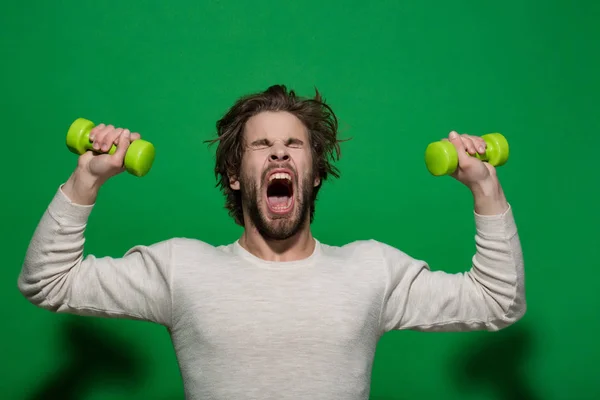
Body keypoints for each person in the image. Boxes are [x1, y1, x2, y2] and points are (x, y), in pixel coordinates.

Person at [18, 84, 526, 399]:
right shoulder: (181, 269)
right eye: (261, 145)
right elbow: (48, 282)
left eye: (294, 145)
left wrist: (485, 185)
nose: (279, 154)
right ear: (236, 176)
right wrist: (88, 178)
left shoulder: (371, 270)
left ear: (315, 173)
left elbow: (497, 301)